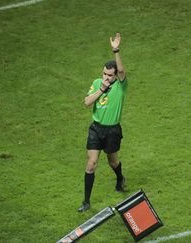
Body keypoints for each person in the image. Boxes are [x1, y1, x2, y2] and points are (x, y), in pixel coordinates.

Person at [78, 33, 128, 213]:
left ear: (115, 76)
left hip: (112, 130)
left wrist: (116, 49)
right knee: (91, 164)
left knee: (113, 162)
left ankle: (120, 179)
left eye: (109, 75)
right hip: (96, 129)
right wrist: (101, 89)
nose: (106, 77)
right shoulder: (98, 83)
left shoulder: (121, 85)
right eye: (104, 74)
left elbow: (122, 71)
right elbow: (87, 102)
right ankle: (86, 201)